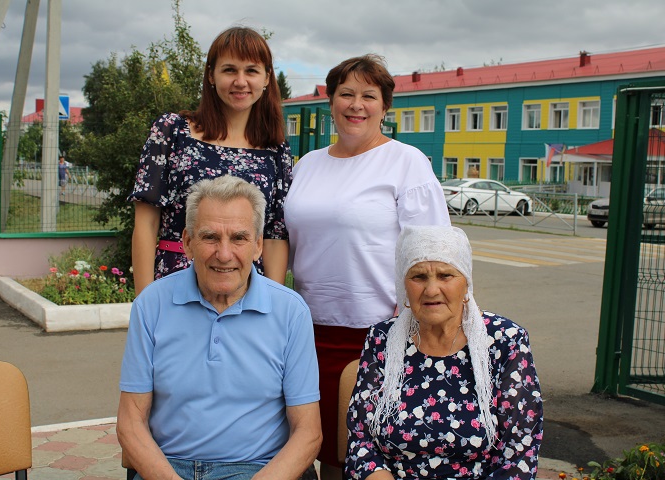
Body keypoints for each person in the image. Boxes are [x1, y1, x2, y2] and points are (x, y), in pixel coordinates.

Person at [283, 54, 451, 479]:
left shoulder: (406, 162)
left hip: (377, 335)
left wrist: (423, 329)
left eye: (368, 96)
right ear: (331, 101)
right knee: (309, 448)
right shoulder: (308, 165)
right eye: (346, 94)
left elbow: (432, 252)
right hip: (306, 334)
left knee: (358, 458)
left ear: (384, 106)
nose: (356, 105)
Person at [117, 175, 321, 480]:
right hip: (169, 468)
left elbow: (308, 433)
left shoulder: (291, 312)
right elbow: (130, 423)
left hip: (259, 469)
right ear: (187, 243)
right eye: (210, 237)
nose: (224, 254)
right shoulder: (151, 306)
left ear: (257, 245)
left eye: (238, 238)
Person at [344, 225, 543, 479]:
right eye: (418, 277)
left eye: (445, 275)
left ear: (466, 284)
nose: (431, 290)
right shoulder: (382, 339)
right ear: (404, 285)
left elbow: (519, 454)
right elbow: (361, 443)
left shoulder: (506, 341)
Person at [129, 26, 291, 296]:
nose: (241, 81)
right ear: (211, 76)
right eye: (230, 70)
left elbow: (274, 235)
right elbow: (146, 224)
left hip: (246, 291)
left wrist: (272, 307)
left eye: (251, 71)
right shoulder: (172, 131)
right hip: (176, 287)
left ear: (266, 78)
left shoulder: (275, 150)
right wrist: (144, 303)